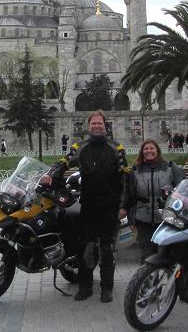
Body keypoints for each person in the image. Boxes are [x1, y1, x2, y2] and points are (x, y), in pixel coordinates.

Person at [42, 110, 129, 303]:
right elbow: (63, 163)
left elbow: (125, 177)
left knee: (106, 249)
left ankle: (107, 288)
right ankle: (85, 287)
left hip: (110, 206)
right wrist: (50, 174)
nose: (97, 126)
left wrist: (124, 205)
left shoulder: (116, 148)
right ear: (88, 126)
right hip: (88, 205)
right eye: (94, 124)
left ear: (105, 126)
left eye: (100, 124)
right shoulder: (79, 147)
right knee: (85, 247)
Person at [126, 139, 188, 304]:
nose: (149, 151)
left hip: (167, 219)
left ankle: (182, 289)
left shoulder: (171, 167)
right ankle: (149, 291)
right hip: (144, 218)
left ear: (157, 150)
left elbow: (184, 189)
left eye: (152, 148)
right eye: (146, 149)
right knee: (147, 257)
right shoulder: (135, 170)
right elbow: (129, 196)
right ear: (142, 152)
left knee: (175, 255)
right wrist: (130, 217)